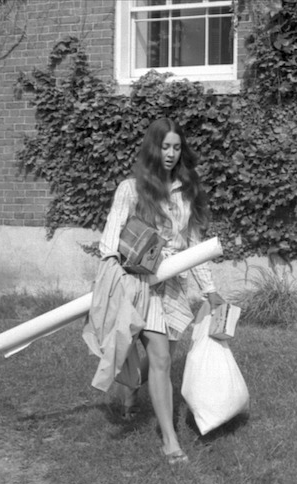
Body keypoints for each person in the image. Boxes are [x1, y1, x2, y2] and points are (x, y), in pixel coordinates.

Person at [97, 117, 225, 465]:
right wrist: (117, 275)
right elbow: (109, 241)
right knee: (162, 359)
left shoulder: (185, 191)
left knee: (158, 359)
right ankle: (170, 441)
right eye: (164, 146)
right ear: (153, 148)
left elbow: (193, 244)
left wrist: (210, 290)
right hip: (141, 284)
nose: (170, 154)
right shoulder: (131, 189)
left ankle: (130, 387)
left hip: (174, 286)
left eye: (176, 147)